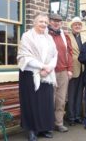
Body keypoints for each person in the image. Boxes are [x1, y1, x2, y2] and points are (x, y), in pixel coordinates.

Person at [17, 13, 57, 141]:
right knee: (32, 103)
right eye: (41, 21)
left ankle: (44, 128)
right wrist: (42, 66)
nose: (43, 24)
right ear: (34, 22)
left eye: (45, 22)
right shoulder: (27, 36)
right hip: (30, 74)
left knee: (45, 102)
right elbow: (25, 56)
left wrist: (49, 68)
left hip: (47, 74)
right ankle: (32, 130)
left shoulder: (49, 38)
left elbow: (55, 55)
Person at [48, 13, 73, 133]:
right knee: (49, 99)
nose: (56, 23)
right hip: (49, 71)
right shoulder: (44, 35)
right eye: (53, 20)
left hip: (63, 72)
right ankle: (48, 124)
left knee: (61, 100)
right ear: (49, 21)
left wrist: (69, 69)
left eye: (58, 21)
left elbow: (70, 53)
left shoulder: (64, 35)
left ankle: (59, 123)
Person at [67, 17, 86, 126]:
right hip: (72, 68)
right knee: (71, 94)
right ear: (72, 26)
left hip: (83, 69)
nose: (77, 26)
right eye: (75, 25)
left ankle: (77, 116)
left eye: (79, 25)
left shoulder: (85, 38)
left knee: (80, 94)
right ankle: (71, 117)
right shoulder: (67, 37)